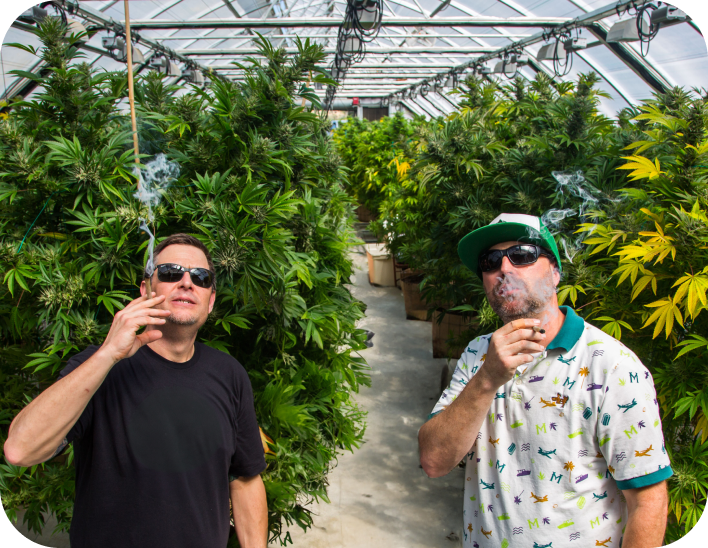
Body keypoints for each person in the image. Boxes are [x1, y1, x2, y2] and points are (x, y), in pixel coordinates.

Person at [419, 213, 672, 548]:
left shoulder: (612, 366)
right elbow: (433, 460)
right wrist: (487, 378)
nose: (504, 268)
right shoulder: (478, 353)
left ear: (555, 272)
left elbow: (649, 502)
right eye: (490, 261)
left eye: (522, 255)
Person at [4, 234, 268, 548]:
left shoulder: (230, 374)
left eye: (200, 277)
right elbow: (20, 450)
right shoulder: (99, 367)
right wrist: (107, 354)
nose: (186, 282)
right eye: (170, 272)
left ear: (210, 301)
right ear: (146, 291)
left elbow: (245, 478)